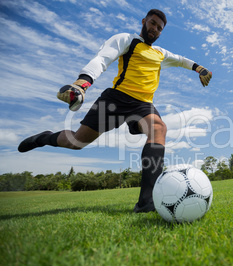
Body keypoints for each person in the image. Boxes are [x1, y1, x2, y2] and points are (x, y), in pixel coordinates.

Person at [17, 9, 212, 213]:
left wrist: (200, 69)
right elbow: (102, 59)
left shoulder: (161, 54)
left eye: (159, 28)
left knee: (159, 129)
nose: (154, 29)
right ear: (144, 21)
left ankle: (147, 203)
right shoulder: (127, 40)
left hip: (143, 104)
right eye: (152, 23)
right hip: (116, 100)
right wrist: (82, 83)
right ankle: (42, 138)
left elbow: (182, 60)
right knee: (76, 142)